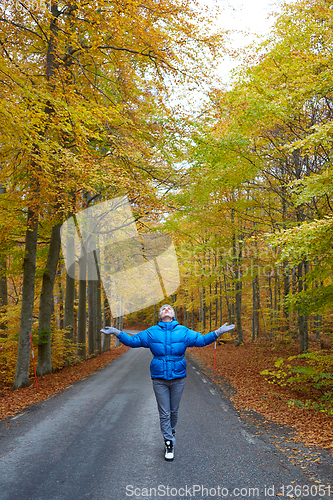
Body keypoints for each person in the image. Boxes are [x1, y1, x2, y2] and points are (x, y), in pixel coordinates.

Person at [101, 305, 235, 461]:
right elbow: (132, 341)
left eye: (169, 308)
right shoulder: (152, 332)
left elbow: (202, 340)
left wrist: (217, 333)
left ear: (173, 315)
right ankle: (169, 442)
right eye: (163, 308)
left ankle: (170, 432)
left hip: (178, 377)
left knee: (174, 411)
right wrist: (116, 332)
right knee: (164, 412)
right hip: (159, 379)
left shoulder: (183, 331)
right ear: (160, 315)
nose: (166, 309)